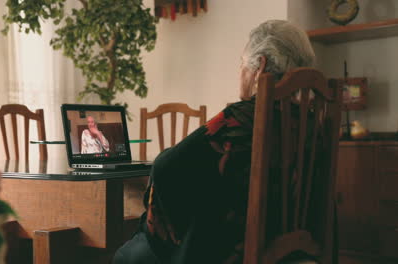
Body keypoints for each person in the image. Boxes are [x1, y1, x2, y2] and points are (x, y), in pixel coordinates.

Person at [112, 20, 316, 264]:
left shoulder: (245, 116)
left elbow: (167, 165)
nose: (240, 70)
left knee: (125, 256)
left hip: (228, 245)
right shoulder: (309, 119)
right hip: (286, 233)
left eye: (242, 63)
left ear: (259, 66)